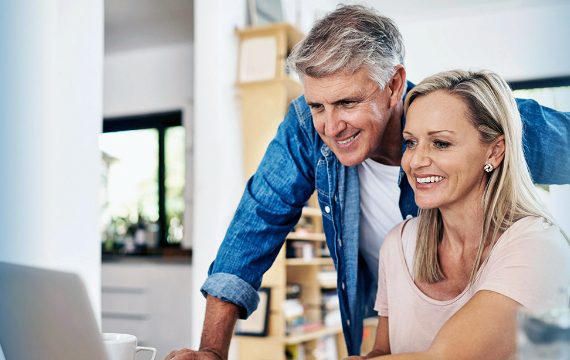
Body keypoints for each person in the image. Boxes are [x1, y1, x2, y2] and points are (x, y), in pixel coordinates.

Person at [166, 5, 570, 359]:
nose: (329, 125)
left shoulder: (476, 118)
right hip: (400, 316)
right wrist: (212, 350)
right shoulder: (397, 238)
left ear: (393, 85)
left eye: (347, 102)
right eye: (317, 105)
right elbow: (255, 223)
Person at [348, 69, 570, 360]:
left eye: (441, 143)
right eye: (411, 142)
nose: (416, 161)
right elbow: (383, 351)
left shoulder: (539, 247)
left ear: (495, 152)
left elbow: (444, 357)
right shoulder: (398, 245)